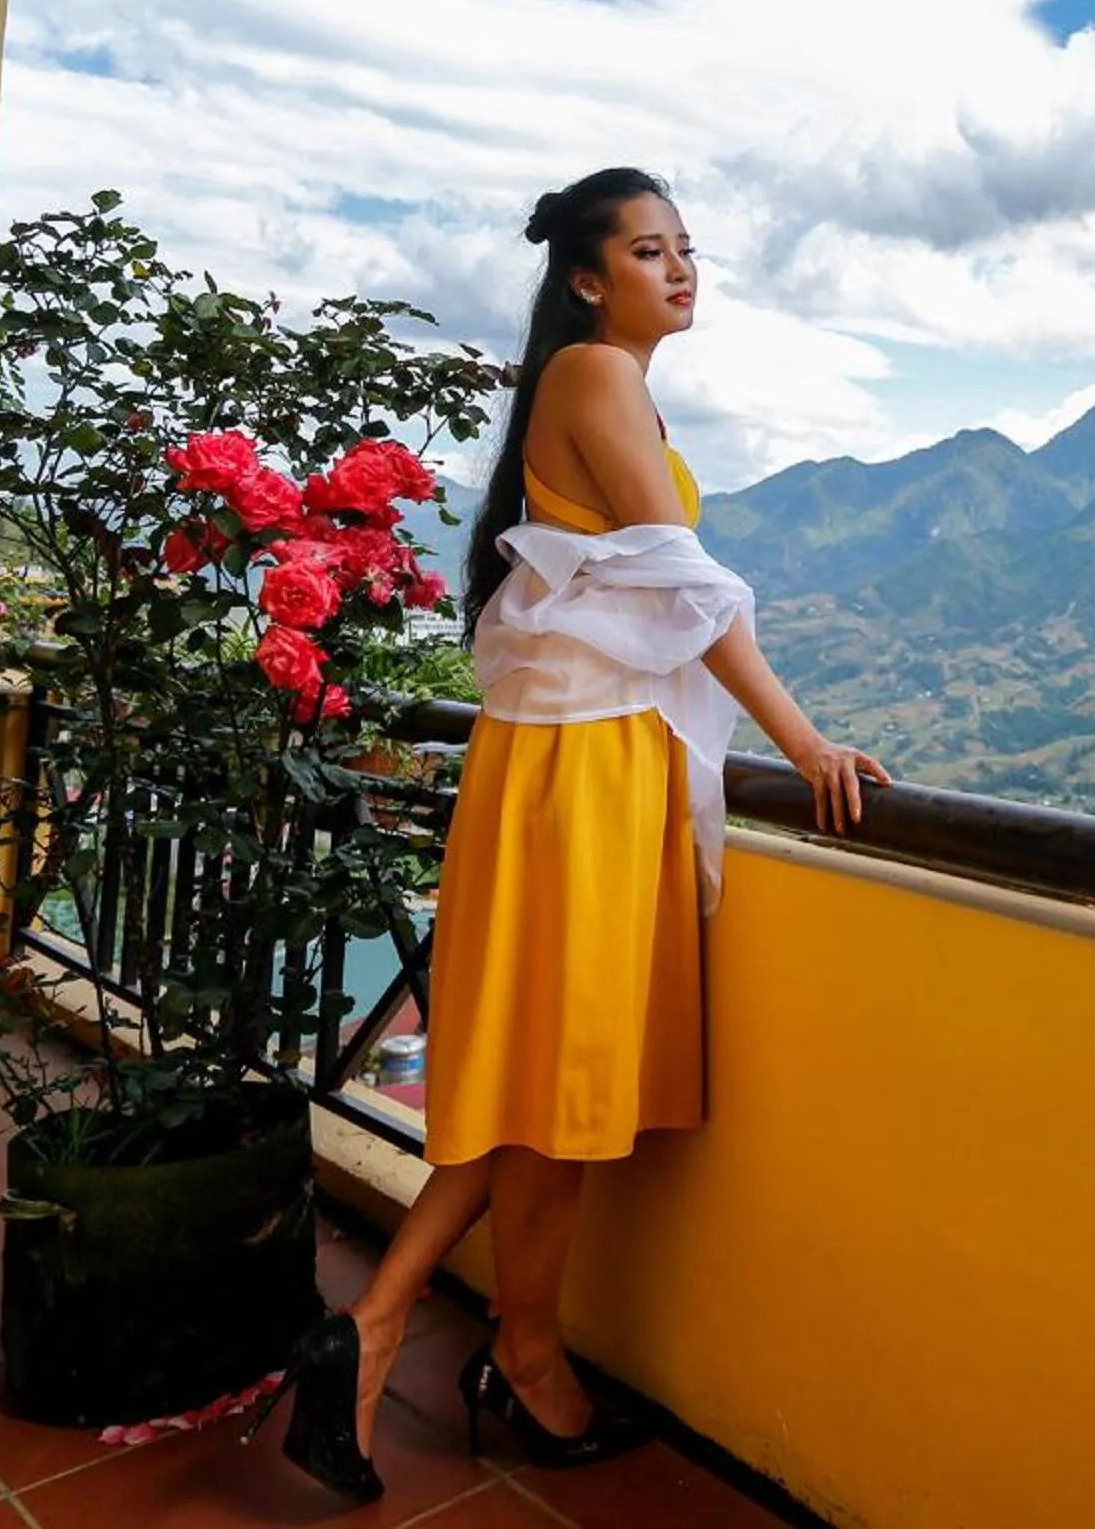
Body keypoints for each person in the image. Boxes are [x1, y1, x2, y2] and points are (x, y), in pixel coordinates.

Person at [246, 167, 890, 1500]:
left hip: (580, 760)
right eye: (650, 251)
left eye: (686, 247)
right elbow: (685, 591)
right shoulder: (595, 374)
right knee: (559, 1096)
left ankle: (391, 1334)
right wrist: (807, 746)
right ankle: (507, 1355)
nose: (681, 268)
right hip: (586, 773)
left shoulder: (605, 383)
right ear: (589, 280)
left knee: (543, 1090)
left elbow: (654, 592)